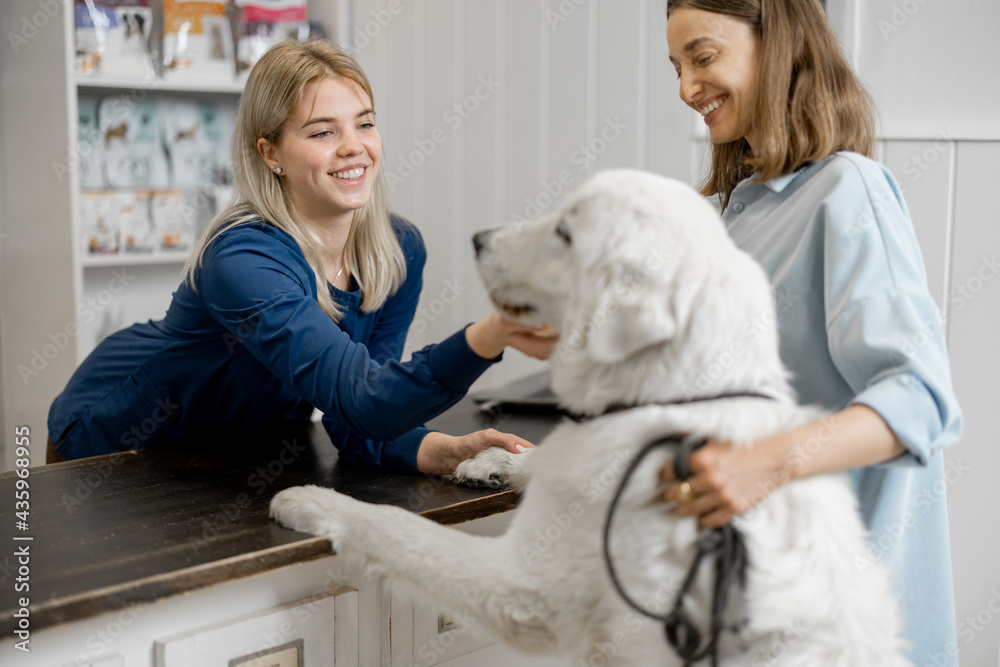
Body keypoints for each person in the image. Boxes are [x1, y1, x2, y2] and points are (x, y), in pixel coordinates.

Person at [47, 40, 557, 474]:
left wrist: (444, 451)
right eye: (322, 132)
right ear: (270, 155)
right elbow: (364, 399)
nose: (354, 148)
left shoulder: (397, 250)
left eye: (365, 124)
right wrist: (489, 335)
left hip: (242, 453)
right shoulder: (241, 259)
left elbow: (358, 415)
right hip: (119, 442)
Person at [660, 1, 962, 664]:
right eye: (677, 67)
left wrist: (762, 462)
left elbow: (919, 397)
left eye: (703, 57)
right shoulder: (737, 215)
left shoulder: (847, 190)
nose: (686, 88)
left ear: (781, 42)